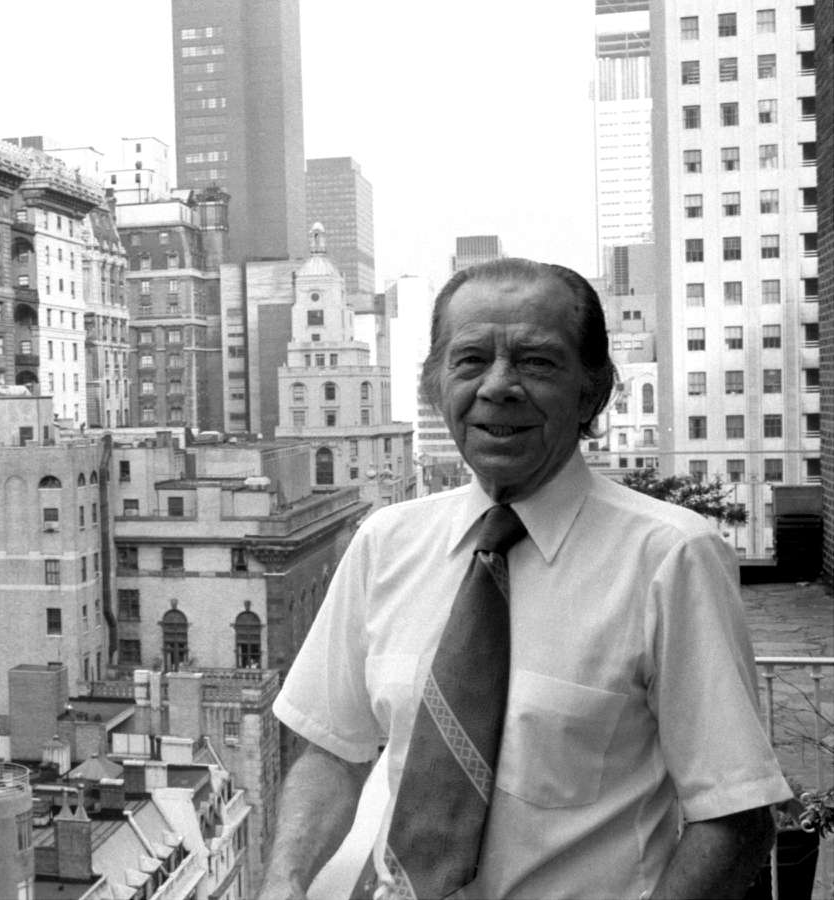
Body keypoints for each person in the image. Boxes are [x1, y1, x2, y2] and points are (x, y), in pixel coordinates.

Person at [260, 259, 789, 900]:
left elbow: (734, 817)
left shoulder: (670, 558)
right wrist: (283, 884)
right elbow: (332, 752)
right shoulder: (386, 542)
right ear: (434, 386)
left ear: (593, 393)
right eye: (470, 360)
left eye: (536, 362)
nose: (498, 386)